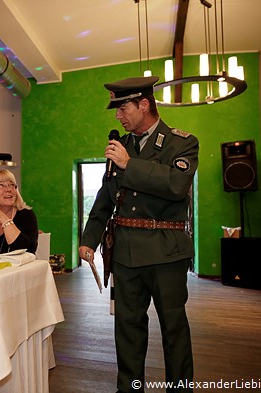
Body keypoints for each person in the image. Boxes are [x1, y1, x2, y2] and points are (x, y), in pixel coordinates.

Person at [78, 76, 198, 393]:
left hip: (166, 252)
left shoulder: (181, 142)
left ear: (144, 105)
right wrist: (88, 240)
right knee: (127, 330)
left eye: (122, 108)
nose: (118, 116)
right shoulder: (122, 148)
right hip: (126, 254)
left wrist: (130, 164)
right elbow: (106, 198)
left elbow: (177, 185)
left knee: (174, 328)